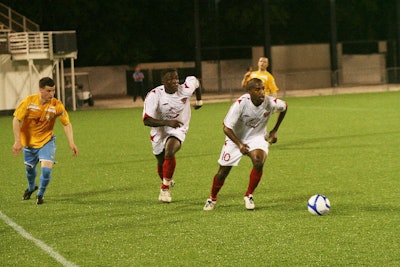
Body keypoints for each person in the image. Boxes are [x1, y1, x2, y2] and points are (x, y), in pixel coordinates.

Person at [203, 78, 287, 211]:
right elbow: (226, 128)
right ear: (249, 91)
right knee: (223, 172)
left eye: (263, 89)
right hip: (235, 138)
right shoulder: (241, 104)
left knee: (258, 162)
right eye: (257, 89)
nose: (261, 92)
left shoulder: (270, 102)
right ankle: (212, 198)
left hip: (257, 137)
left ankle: (249, 195)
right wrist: (240, 144)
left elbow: (285, 106)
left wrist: (274, 130)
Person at [12, 77, 79, 205]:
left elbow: (66, 124)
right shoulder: (29, 102)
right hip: (29, 143)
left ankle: (40, 194)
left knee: (47, 170)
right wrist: (17, 141)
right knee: (29, 170)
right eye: (48, 91)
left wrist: (71, 142)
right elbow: (16, 120)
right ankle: (31, 187)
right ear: (41, 90)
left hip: (46, 142)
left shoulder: (56, 105)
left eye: (53, 91)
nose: (51, 94)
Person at [142, 69, 203, 203]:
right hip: (159, 129)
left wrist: (199, 100)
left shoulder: (185, 89)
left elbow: (196, 82)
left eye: (176, 78)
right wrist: (167, 122)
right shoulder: (154, 95)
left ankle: (164, 188)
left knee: (170, 151)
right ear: (163, 82)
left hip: (179, 128)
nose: (174, 82)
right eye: (170, 79)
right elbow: (146, 120)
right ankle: (167, 178)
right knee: (161, 160)